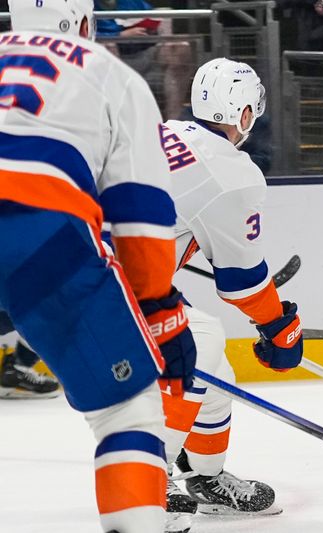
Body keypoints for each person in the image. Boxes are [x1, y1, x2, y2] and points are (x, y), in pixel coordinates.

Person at [1, 2, 197, 533]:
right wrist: (160, 310)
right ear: (86, 25)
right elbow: (141, 216)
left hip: (31, 227)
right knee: (127, 412)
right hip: (38, 231)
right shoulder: (111, 74)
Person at [157, 58, 304, 527]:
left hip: (82, 265)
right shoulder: (231, 173)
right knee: (197, 345)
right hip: (95, 283)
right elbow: (241, 283)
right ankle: (142, 478)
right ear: (242, 113)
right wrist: (279, 326)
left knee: (214, 367)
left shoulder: (168, 131)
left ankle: (206, 478)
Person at [95, 0, 193, 119]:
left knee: (180, 47)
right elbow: (81, 36)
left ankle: (173, 120)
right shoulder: (85, 6)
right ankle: (117, 119)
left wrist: (152, 30)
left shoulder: (134, 2)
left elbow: (153, 19)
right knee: (108, 46)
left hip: (145, 53)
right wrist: (120, 36)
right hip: (112, 57)